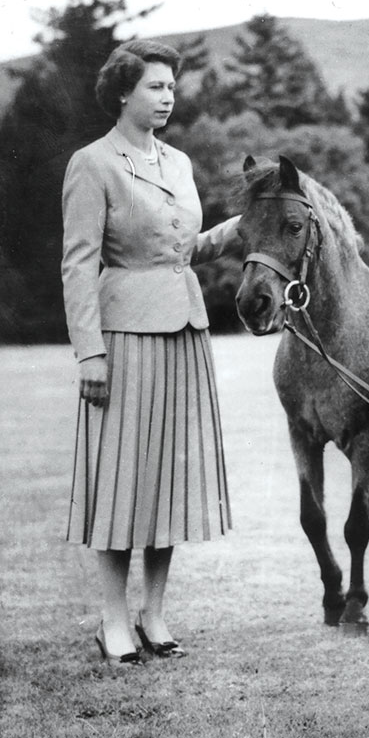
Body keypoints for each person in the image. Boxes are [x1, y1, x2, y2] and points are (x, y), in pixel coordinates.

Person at [61, 39, 242, 665]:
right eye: (154, 87)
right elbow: (79, 265)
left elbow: (182, 251)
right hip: (124, 339)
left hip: (185, 334)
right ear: (122, 91)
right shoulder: (93, 163)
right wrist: (89, 354)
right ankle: (112, 622)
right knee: (121, 482)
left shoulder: (180, 163)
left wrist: (244, 225)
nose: (167, 97)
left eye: (171, 87)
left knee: (171, 481)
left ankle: (154, 616)